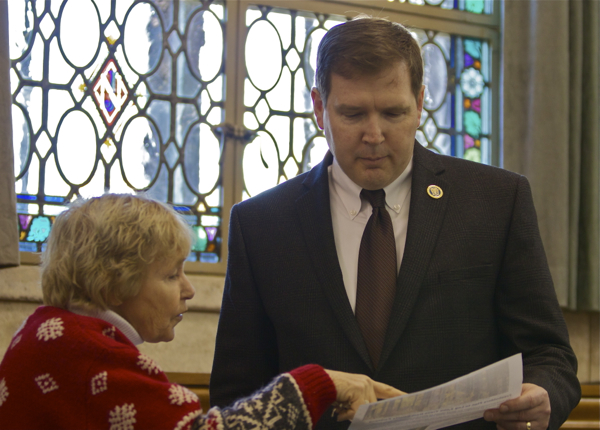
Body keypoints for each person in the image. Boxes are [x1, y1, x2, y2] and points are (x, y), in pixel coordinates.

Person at [210, 16, 581, 430]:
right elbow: (236, 396)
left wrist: (543, 394)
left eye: (393, 113)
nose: (374, 135)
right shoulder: (261, 225)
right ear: (319, 107)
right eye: (352, 114)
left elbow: (551, 356)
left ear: (420, 103)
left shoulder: (496, 201)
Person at [0, 194, 403, 430]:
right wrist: (320, 382)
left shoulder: (55, 333)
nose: (190, 289)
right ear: (113, 281)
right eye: (172, 275)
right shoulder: (82, 351)